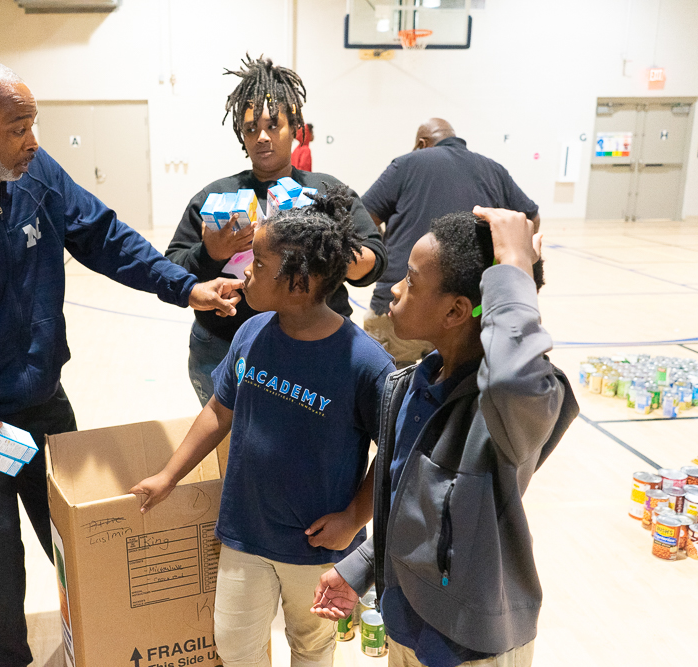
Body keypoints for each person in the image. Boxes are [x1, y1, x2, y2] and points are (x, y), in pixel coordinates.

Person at [0, 59, 241, 667]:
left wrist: (183, 284)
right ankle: (6, 658)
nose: (32, 141)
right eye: (17, 127)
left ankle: (97, 642)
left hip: (42, 398)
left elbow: (104, 236)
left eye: (33, 124)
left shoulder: (35, 176)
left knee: (76, 536)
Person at [133, 187, 395, 667]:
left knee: (312, 647)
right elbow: (218, 411)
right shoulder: (252, 332)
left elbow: (394, 457)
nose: (244, 270)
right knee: (234, 644)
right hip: (245, 532)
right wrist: (168, 475)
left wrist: (353, 520)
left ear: (297, 283)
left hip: (317, 547)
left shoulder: (365, 364)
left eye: (256, 261)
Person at [311, 208, 579, 667]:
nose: (395, 289)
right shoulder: (411, 386)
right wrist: (361, 567)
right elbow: (419, 512)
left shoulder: (509, 412)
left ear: (456, 310)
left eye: (411, 281)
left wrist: (515, 264)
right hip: (408, 625)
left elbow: (512, 377)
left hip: (469, 646)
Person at [166, 54, 386, 406]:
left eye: (273, 125)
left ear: (294, 127)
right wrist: (210, 253)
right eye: (251, 128)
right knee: (230, 444)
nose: (262, 137)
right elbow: (172, 272)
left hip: (320, 346)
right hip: (223, 345)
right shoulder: (215, 195)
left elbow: (373, 259)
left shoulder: (327, 192)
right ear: (241, 134)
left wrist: (326, 253)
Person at [361, 118, 540, 367]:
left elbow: (362, 217)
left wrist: (385, 247)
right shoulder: (493, 169)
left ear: (422, 144)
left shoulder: (407, 163)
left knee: (386, 391)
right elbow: (530, 219)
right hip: (466, 315)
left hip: (403, 305)